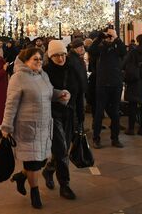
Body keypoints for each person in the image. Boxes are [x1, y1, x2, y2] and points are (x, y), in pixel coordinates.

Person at [0, 47, 70, 209]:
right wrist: (6, 126)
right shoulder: (18, 78)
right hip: (27, 127)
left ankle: (20, 177)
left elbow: (49, 92)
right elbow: (10, 104)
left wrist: (60, 95)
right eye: (35, 59)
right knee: (32, 163)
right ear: (26, 61)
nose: (38, 62)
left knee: (42, 160)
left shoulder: (43, 75)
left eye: (40, 59)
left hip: (45, 125)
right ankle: (35, 192)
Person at [41, 40, 85, 200]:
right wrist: (58, 95)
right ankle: (64, 185)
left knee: (63, 149)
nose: (60, 58)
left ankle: (49, 170)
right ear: (50, 56)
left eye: (62, 55)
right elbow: (41, 95)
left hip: (69, 113)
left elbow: (80, 94)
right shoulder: (45, 72)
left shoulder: (73, 70)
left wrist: (80, 116)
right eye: (56, 56)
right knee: (61, 149)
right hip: (53, 114)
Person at [89, 27, 127, 149]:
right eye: (108, 36)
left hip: (116, 83)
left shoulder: (117, 47)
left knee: (115, 113)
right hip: (102, 84)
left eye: (111, 36)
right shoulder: (100, 48)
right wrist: (100, 37)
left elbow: (123, 51)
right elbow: (91, 50)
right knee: (99, 113)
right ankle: (96, 138)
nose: (109, 38)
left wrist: (116, 38)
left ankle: (115, 138)